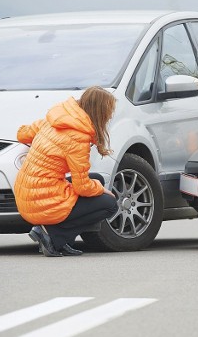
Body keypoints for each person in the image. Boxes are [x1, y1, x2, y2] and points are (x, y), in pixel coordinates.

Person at [14, 86, 119, 257]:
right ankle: (53, 236)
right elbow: (82, 187)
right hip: (41, 200)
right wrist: (102, 189)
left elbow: (22, 134)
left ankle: (58, 239)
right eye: (109, 112)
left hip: (26, 192)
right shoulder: (78, 137)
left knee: (97, 178)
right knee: (109, 204)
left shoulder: (57, 118)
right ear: (99, 112)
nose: (109, 117)